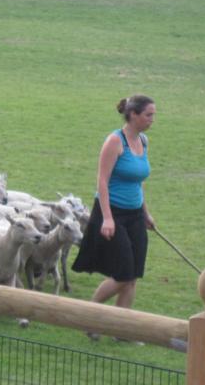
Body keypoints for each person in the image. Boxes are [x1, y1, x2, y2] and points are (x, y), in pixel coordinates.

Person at [72, 95, 156, 341]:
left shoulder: (143, 141)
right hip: (112, 213)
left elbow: (137, 182)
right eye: (148, 115)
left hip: (135, 215)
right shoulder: (114, 141)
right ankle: (89, 317)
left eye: (153, 115)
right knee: (123, 274)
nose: (153, 119)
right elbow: (102, 181)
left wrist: (145, 213)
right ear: (133, 115)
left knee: (133, 275)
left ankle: (121, 331)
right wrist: (107, 219)